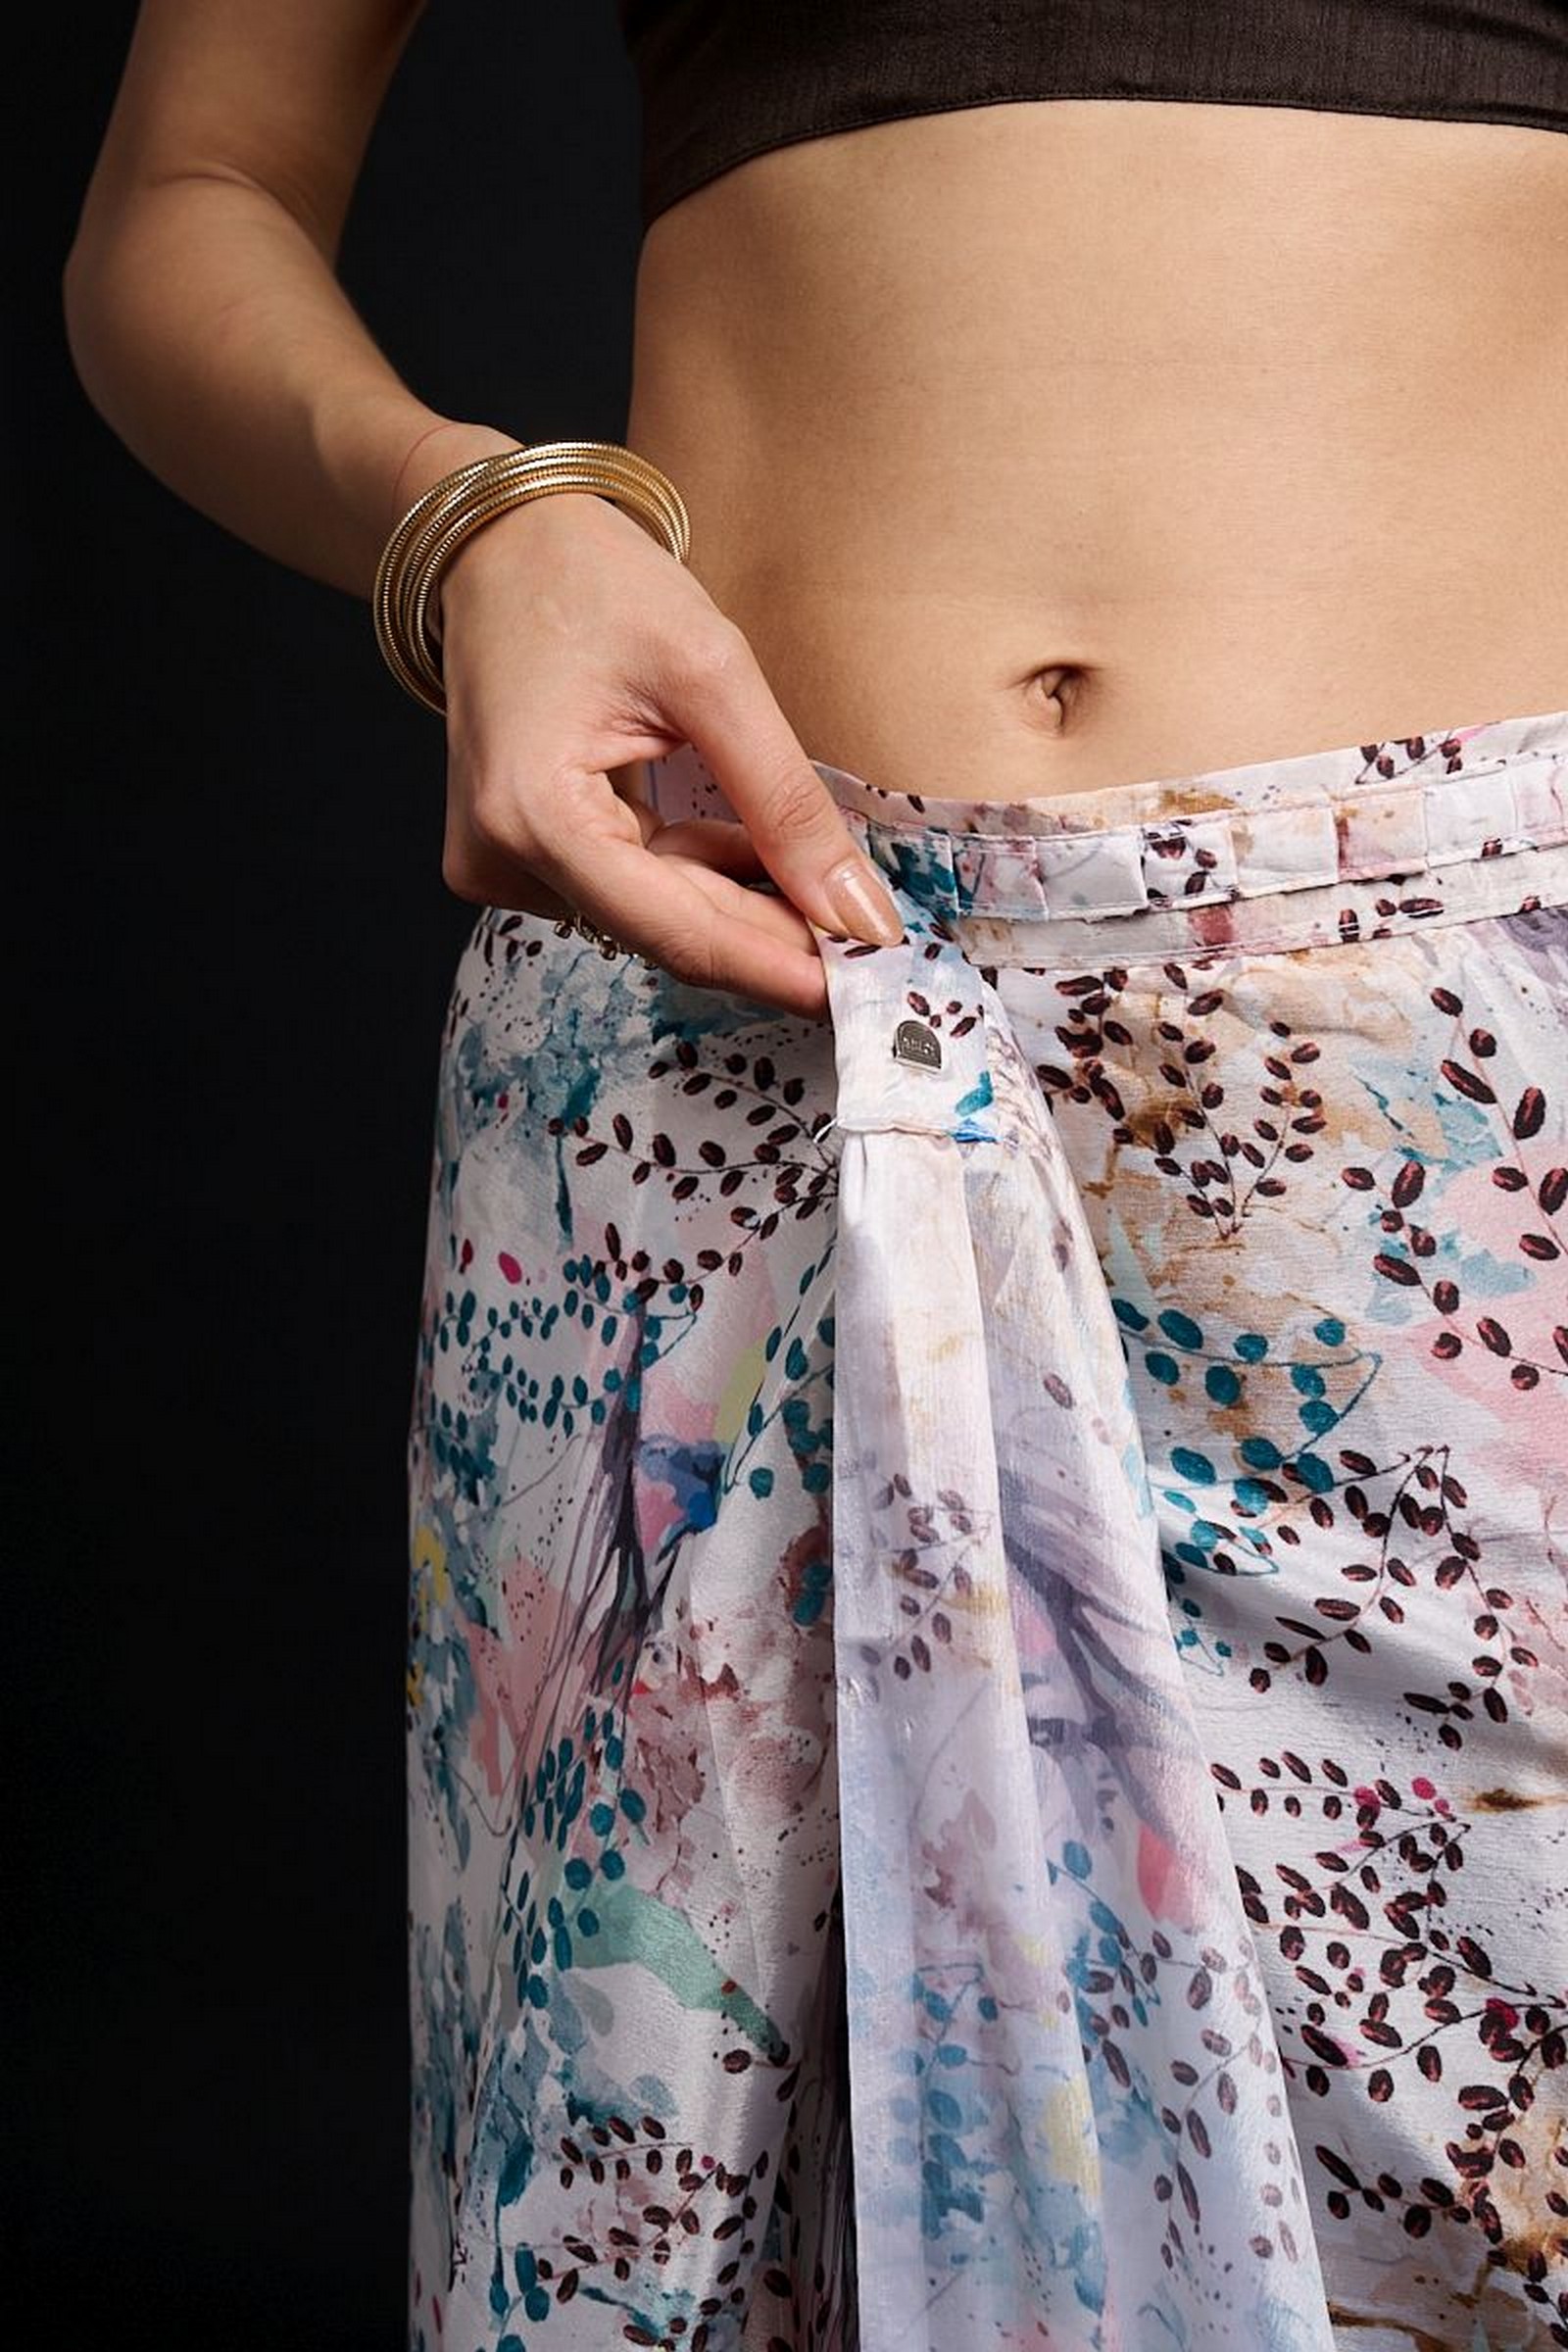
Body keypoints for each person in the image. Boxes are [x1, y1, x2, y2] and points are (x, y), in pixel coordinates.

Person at [63, 3, 1568, 2346]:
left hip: (1457, 1121)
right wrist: (474, 521)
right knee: (660, 2231)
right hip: (712, 1052)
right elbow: (191, 196)